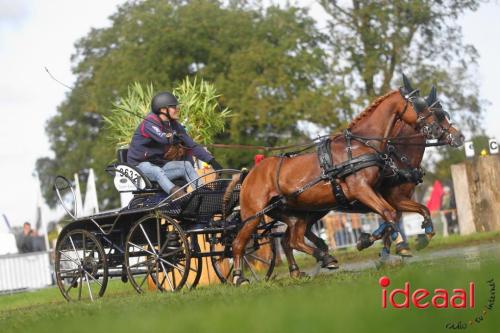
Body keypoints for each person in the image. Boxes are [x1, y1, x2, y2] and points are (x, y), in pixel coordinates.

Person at [127, 91, 223, 198]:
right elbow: (162, 138)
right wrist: (173, 137)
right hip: (139, 167)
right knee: (156, 170)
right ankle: (179, 196)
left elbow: (192, 145)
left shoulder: (174, 125)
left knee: (186, 165)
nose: (177, 109)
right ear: (163, 110)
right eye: (173, 107)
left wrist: (212, 161)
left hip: (159, 165)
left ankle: (203, 194)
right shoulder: (149, 122)